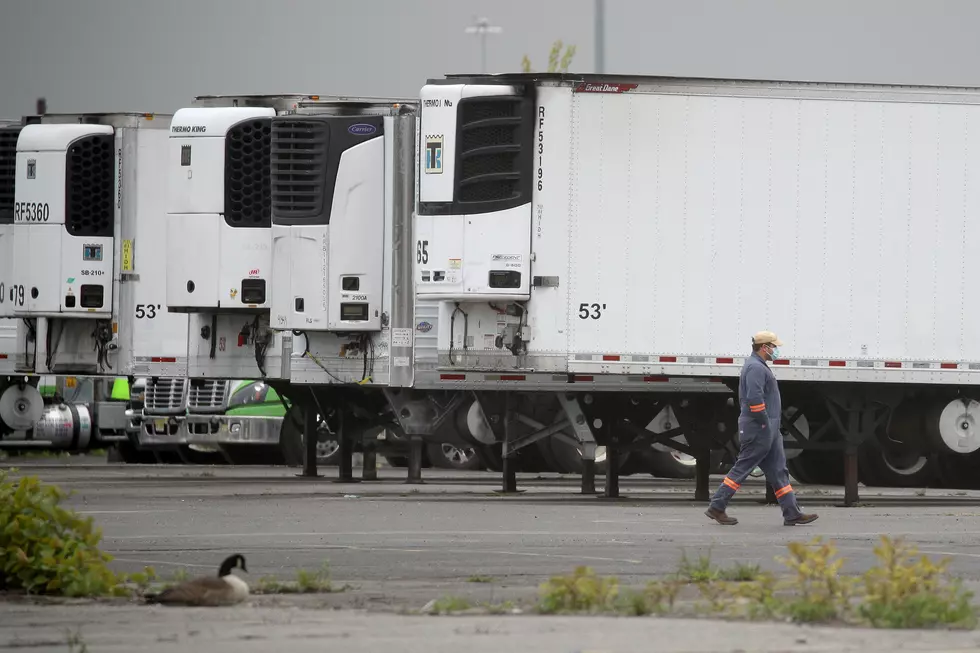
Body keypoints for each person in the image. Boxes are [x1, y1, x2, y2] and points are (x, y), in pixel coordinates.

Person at [704, 331, 819, 527]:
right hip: (760, 429)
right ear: (764, 347)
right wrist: (765, 423)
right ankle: (717, 506)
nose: (776, 350)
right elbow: (754, 399)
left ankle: (792, 513)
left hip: (768, 430)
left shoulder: (758, 366)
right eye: (773, 347)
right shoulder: (755, 368)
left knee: (778, 471)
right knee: (743, 467)